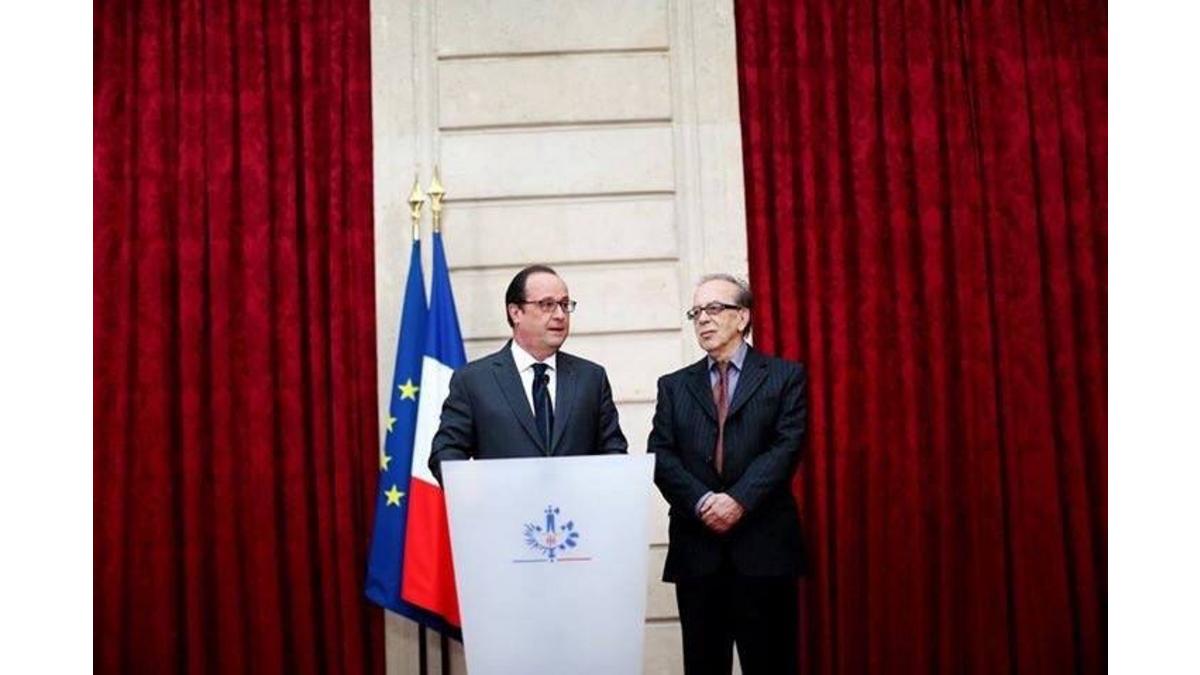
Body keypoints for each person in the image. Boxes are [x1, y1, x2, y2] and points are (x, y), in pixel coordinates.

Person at [649, 273, 807, 675]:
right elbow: (661, 455)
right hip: (698, 554)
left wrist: (738, 501)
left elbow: (786, 447)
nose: (703, 319)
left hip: (764, 550)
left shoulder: (784, 377)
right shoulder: (674, 387)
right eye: (696, 312)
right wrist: (703, 501)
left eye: (714, 308)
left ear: (742, 317)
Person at [428, 264, 628, 482]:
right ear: (515, 313)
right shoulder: (473, 381)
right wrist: (477, 492)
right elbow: (446, 453)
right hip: (504, 502)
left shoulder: (591, 378)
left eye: (564, 304)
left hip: (576, 503)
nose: (560, 315)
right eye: (547, 305)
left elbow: (614, 452)